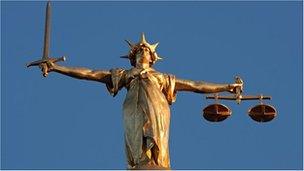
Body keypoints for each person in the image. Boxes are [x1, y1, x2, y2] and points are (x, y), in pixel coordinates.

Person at [40, 33, 242, 169]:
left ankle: (156, 164)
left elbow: (195, 85)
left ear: (153, 57)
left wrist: (226, 86)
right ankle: (140, 164)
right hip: (132, 107)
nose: (142, 52)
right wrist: (57, 68)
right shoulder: (126, 74)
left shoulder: (162, 78)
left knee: (158, 141)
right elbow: (90, 73)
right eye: (138, 51)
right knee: (135, 139)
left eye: (145, 50)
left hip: (158, 107)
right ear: (132, 56)